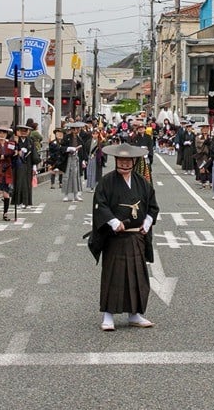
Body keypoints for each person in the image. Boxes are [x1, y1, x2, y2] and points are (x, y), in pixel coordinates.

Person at [89, 142, 159, 332]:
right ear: (116, 160)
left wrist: (147, 223)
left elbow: (152, 206)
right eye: (122, 160)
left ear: (134, 162)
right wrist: (113, 222)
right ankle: (108, 315)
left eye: (129, 161)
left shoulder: (142, 183)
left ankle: (134, 314)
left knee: (137, 277)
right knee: (114, 275)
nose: (125, 164)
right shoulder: (107, 182)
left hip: (136, 236)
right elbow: (100, 205)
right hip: (115, 237)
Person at [0, 126, 16, 221]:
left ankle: (5, 213)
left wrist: (6, 155)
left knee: (6, 193)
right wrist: (1, 156)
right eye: (0, 133)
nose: (2, 135)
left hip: (7, 169)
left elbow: (12, 153)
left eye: (4, 133)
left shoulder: (9, 144)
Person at [11, 123, 36, 208]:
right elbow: (11, 151)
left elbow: (34, 154)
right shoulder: (15, 140)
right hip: (18, 164)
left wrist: (34, 166)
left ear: (28, 132)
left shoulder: (31, 141)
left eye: (25, 131)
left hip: (28, 164)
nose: (24, 133)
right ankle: (18, 201)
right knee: (18, 183)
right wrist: (18, 148)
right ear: (19, 131)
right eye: (22, 131)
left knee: (27, 183)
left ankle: (27, 202)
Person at [60, 123, 85, 203]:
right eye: (75, 129)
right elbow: (61, 148)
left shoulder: (79, 139)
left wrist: (83, 160)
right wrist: (70, 148)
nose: (77, 130)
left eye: (78, 129)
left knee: (76, 177)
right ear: (72, 129)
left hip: (76, 159)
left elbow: (82, 151)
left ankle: (76, 194)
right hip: (68, 158)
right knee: (67, 176)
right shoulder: (67, 137)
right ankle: (66, 195)